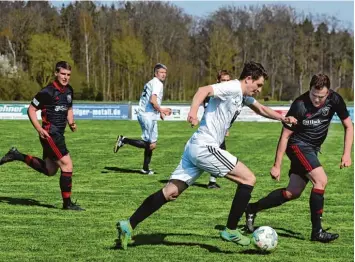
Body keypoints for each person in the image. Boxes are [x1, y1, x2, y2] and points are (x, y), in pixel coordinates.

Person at [115, 61, 297, 250]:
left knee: (170, 192)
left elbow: (261, 108)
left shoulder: (242, 95)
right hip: (205, 146)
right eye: (258, 85)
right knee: (248, 178)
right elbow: (203, 90)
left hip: (195, 147)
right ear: (248, 79)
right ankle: (231, 229)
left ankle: (128, 224)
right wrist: (193, 113)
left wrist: (282, 118)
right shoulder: (233, 86)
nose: (259, 89)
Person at [245, 73, 353, 243]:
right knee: (321, 180)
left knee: (292, 192)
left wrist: (347, 154)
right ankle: (317, 232)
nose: (317, 100)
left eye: (321, 97)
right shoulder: (299, 104)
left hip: (312, 149)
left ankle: (252, 208)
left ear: (328, 92)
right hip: (297, 145)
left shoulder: (335, 100)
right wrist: (277, 165)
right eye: (314, 95)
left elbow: (349, 126)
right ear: (309, 90)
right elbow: (285, 136)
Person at [0, 61, 84, 211]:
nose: (65, 77)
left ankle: (17, 155)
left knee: (50, 170)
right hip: (50, 134)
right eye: (63, 74)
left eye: (68, 75)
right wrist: (39, 128)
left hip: (58, 134)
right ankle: (67, 204)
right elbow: (31, 110)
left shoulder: (69, 90)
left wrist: (71, 122)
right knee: (67, 165)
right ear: (56, 73)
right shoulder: (47, 92)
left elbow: (69, 107)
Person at [114, 63, 172, 175]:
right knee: (147, 143)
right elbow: (153, 100)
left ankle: (145, 169)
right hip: (147, 115)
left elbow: (152, 101)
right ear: (156, 73)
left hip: (150, 114)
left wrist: (158, 111)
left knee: (152, 144)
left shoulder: (151, 82)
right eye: (161, 72)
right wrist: (161, 110)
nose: (164, 75)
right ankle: (123, 140)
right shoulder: (157, 83)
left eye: (165, 73)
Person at [205, 70, 231, 189]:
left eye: (227, 80)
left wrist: (227, 128)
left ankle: (212, 181)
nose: (225, 83)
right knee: (215, 155)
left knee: (219, 154)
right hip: (210, 131)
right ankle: (211, 181)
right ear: (218, 81)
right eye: (223, 80)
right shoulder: (213, 93)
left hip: (219, 131)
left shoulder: (229, 95)